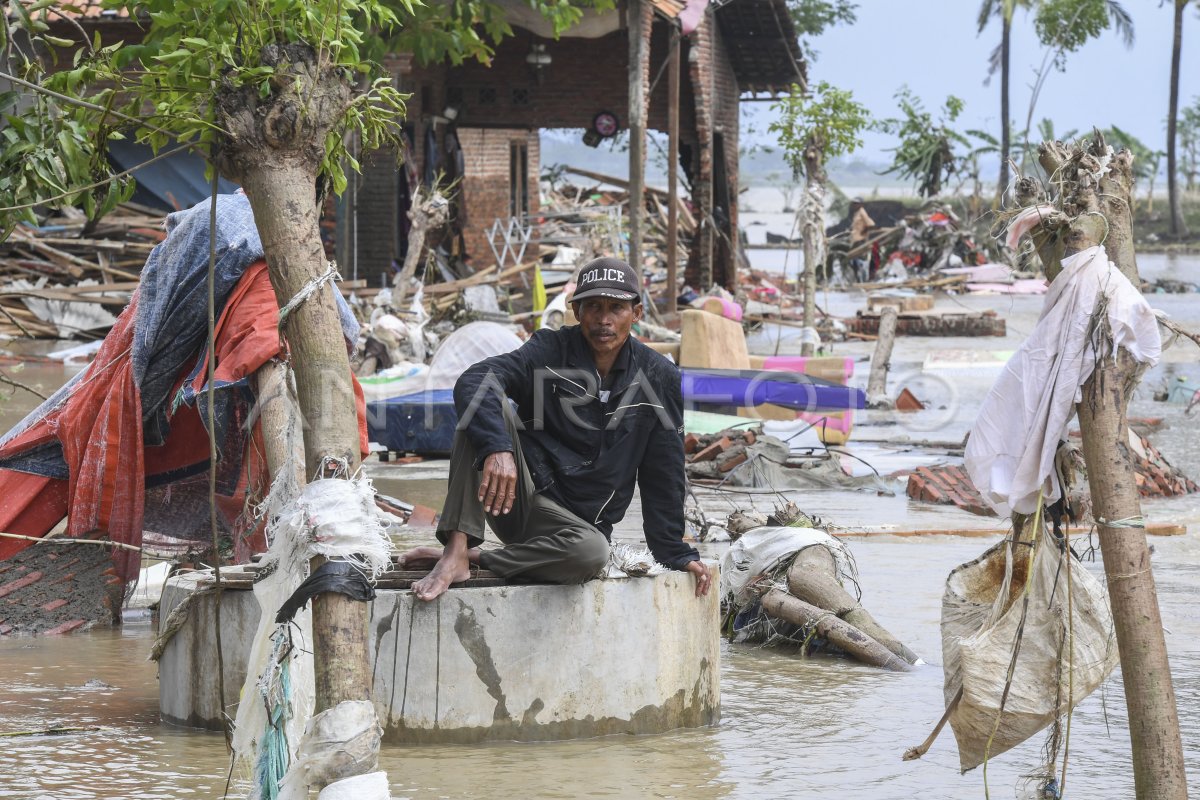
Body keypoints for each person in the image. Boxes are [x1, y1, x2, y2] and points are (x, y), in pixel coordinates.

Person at [401, 257, 711, 601]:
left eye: (616, 308)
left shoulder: (659, 377)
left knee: (592, 554)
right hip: (516, 498)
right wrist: (498, 448)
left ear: (636, 313)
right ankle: (456, 548)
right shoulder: (549, 349)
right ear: (577, 311)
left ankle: (476, 558)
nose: (604, 319)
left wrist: (675, 554)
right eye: (593, 306)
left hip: (576, 532)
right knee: (483, 406)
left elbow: (664, 472)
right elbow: (476, 378)